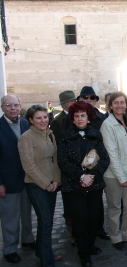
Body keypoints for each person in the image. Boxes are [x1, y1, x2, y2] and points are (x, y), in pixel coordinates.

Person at [58, 101, 110, 267]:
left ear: (89, 118)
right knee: (80, 220)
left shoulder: (95, 134)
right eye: (76, 116)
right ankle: (84, 253)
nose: (80, 118)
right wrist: (81, 176)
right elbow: (63, 162)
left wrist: (92, 176)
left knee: (94, 218)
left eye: (83, 115)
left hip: (94, 185)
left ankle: (89, 245)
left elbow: (104, 158)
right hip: (73, 186)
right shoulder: (65, 136)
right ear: (72, 119)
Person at [18, 104, 62, 267]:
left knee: (48, 220)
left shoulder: (50, 134)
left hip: (52, 183)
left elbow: (56, 158)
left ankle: (43, 250)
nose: (43, 120)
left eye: (45, 117)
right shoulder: (26, 138)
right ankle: (47, 260)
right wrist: (45, 184)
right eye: (38, 118)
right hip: (36, 185)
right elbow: (28, 165)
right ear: (30, 120)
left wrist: (56, 180)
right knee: (45, 221)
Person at [100, 92, 127, 251]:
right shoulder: (107, 125)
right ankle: (115, 236)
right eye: (115, 103)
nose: (119, 105)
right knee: (115, 207)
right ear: (110, 106)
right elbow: (111, 154)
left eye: (122, 102)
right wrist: (121, 177)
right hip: (113, 174)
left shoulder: (126, 121)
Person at [0, 95, 28, 263]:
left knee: (27, 213)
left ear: (20, 106)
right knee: (10, 216)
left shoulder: (26, 123)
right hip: (8, 180)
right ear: (2, 107)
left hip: (28, 178)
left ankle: (28, 239)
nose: (12, 108)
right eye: (8, 105)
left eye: (15, 105)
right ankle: (10, 248)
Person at [50, 90, 76, 227]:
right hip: (67, 165)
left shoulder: (77, 116)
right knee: (69, 195)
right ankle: (69, 219)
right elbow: (57, 145)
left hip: (80, 163)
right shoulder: (57, 121)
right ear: (67, 104)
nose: (76, 103)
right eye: (73, 101)